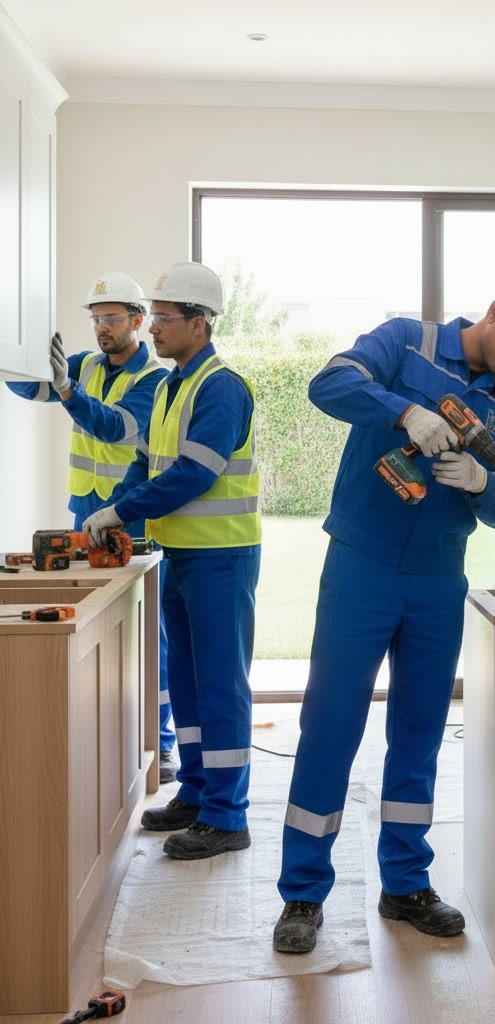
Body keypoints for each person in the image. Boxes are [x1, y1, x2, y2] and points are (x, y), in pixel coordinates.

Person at [272, 264, 495, 954]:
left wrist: (481, 482)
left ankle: (406, 884)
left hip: (440, 578)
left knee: (419, 734)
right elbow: (328, 383)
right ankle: (303, 893)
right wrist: (402, 411)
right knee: (331, 725)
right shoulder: (404, 342)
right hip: (361, 565)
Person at [83, 261, 261, 861]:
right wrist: (112, 510)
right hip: (182, 554)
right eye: (152, 318)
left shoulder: (222, 388)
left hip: (222, 557)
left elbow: (193, 474)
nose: (152, 328)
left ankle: (228, 816)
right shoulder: (167, 386)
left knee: (221, 686)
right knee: (185, 681)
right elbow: (146, 463)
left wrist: (119, 511)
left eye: (162, 318)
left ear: (199, 322)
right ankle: (198, 792)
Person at [4, 272, 180, 783]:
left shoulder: (155, 380)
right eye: (96, 318)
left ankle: (162, 742)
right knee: (94, 625)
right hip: (85, 513)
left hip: (132, 515)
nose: (102, 327)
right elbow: (30, 386)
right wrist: (16, 352)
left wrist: (66, 389)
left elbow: (116, 427)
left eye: (112, 318)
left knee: (151, 632)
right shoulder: (83, 365)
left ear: (137, 321)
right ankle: (109, 736)